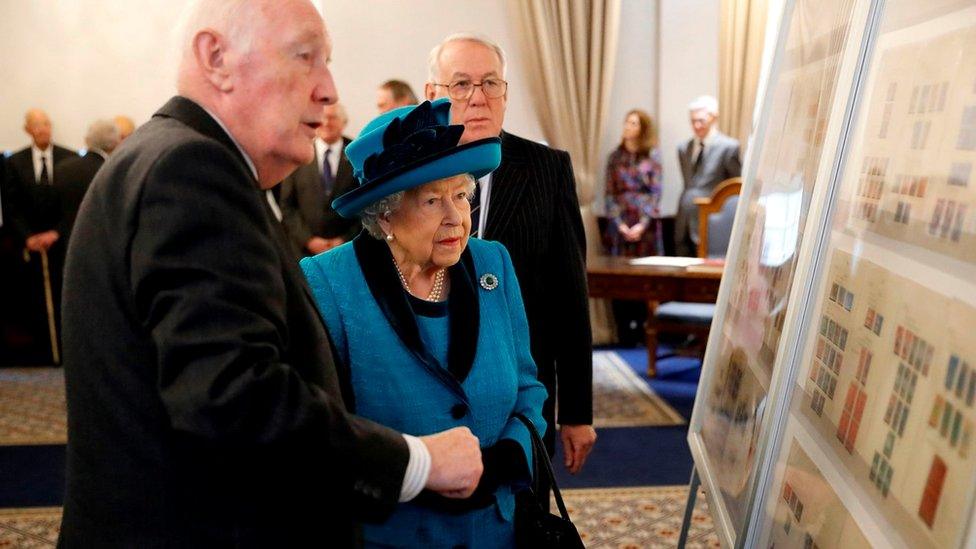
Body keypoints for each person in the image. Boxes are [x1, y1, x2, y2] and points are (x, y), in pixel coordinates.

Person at [57, 1, 483, 546]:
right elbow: (230, 399)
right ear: (216, 59)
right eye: (306, 57)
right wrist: (418, 462)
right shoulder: (191, 170)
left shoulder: (171, 157)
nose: (329, 90)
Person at [302, 98, 547, 547]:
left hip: (495, 529)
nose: (456, 217)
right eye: (433, 200)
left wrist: (506, 461)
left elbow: (528, 390)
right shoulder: (327, 285)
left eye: (461, 195)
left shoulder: (494, 264)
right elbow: (319, 426)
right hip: (392, 533)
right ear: (385, 213)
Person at [425, 32, 596, 473]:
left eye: (491, 84)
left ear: (505, 93)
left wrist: (577, 412)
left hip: (523, 393)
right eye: (461, 84)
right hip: (432, 389)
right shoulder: (408, 175)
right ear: (433, 95)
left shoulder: (547, 169)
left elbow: (570, 299)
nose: (478, 98)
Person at [604, 109, 663, 346]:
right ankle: (623, 330)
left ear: (642, 128)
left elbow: (656, 194)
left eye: (633, 123)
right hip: (620, 220)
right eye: (626, 122)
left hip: (644, 223)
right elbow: (609, 193)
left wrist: (643, 223)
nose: (627, 126)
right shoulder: (615, 157)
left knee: (644, 279)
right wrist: (619, 224)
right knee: (618, 278)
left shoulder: (652, 157)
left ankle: (642, 327)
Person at [278, 102, 360, 257]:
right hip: (303, 253)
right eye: (322, 118)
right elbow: (287, 206)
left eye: (333, 118)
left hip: (348, 250)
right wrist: (308, 240)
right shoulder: (297, 153)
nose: (326, 123)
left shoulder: (357, 154)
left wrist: (344, 239)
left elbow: (368, 204)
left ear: (343, 123)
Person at [675, 95, 741, 257]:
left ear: (713, 118)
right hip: (684, 219)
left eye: (701, 120)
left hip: (711, 222)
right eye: (693, 121)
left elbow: (734, 189)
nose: (696, 126)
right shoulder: (684, 148)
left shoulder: (729, 147)